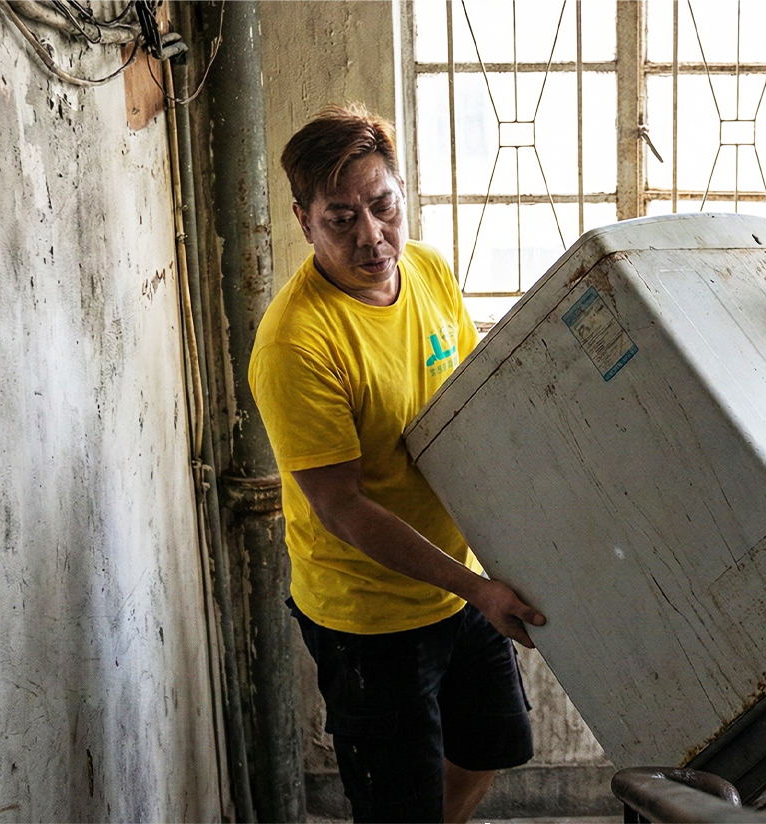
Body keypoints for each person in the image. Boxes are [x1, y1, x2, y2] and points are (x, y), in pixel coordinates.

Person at [248, 104, 548, 824]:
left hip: (460, 581)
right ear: (304, 220)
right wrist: (478, 590)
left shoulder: (431, 272)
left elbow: (474, 409)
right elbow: (343, 507)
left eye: (383, 207)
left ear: (401, 192)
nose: (373, 237)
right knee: (395, 806)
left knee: (494, 745)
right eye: (342, 219)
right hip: (370, 618)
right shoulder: (297, 344)